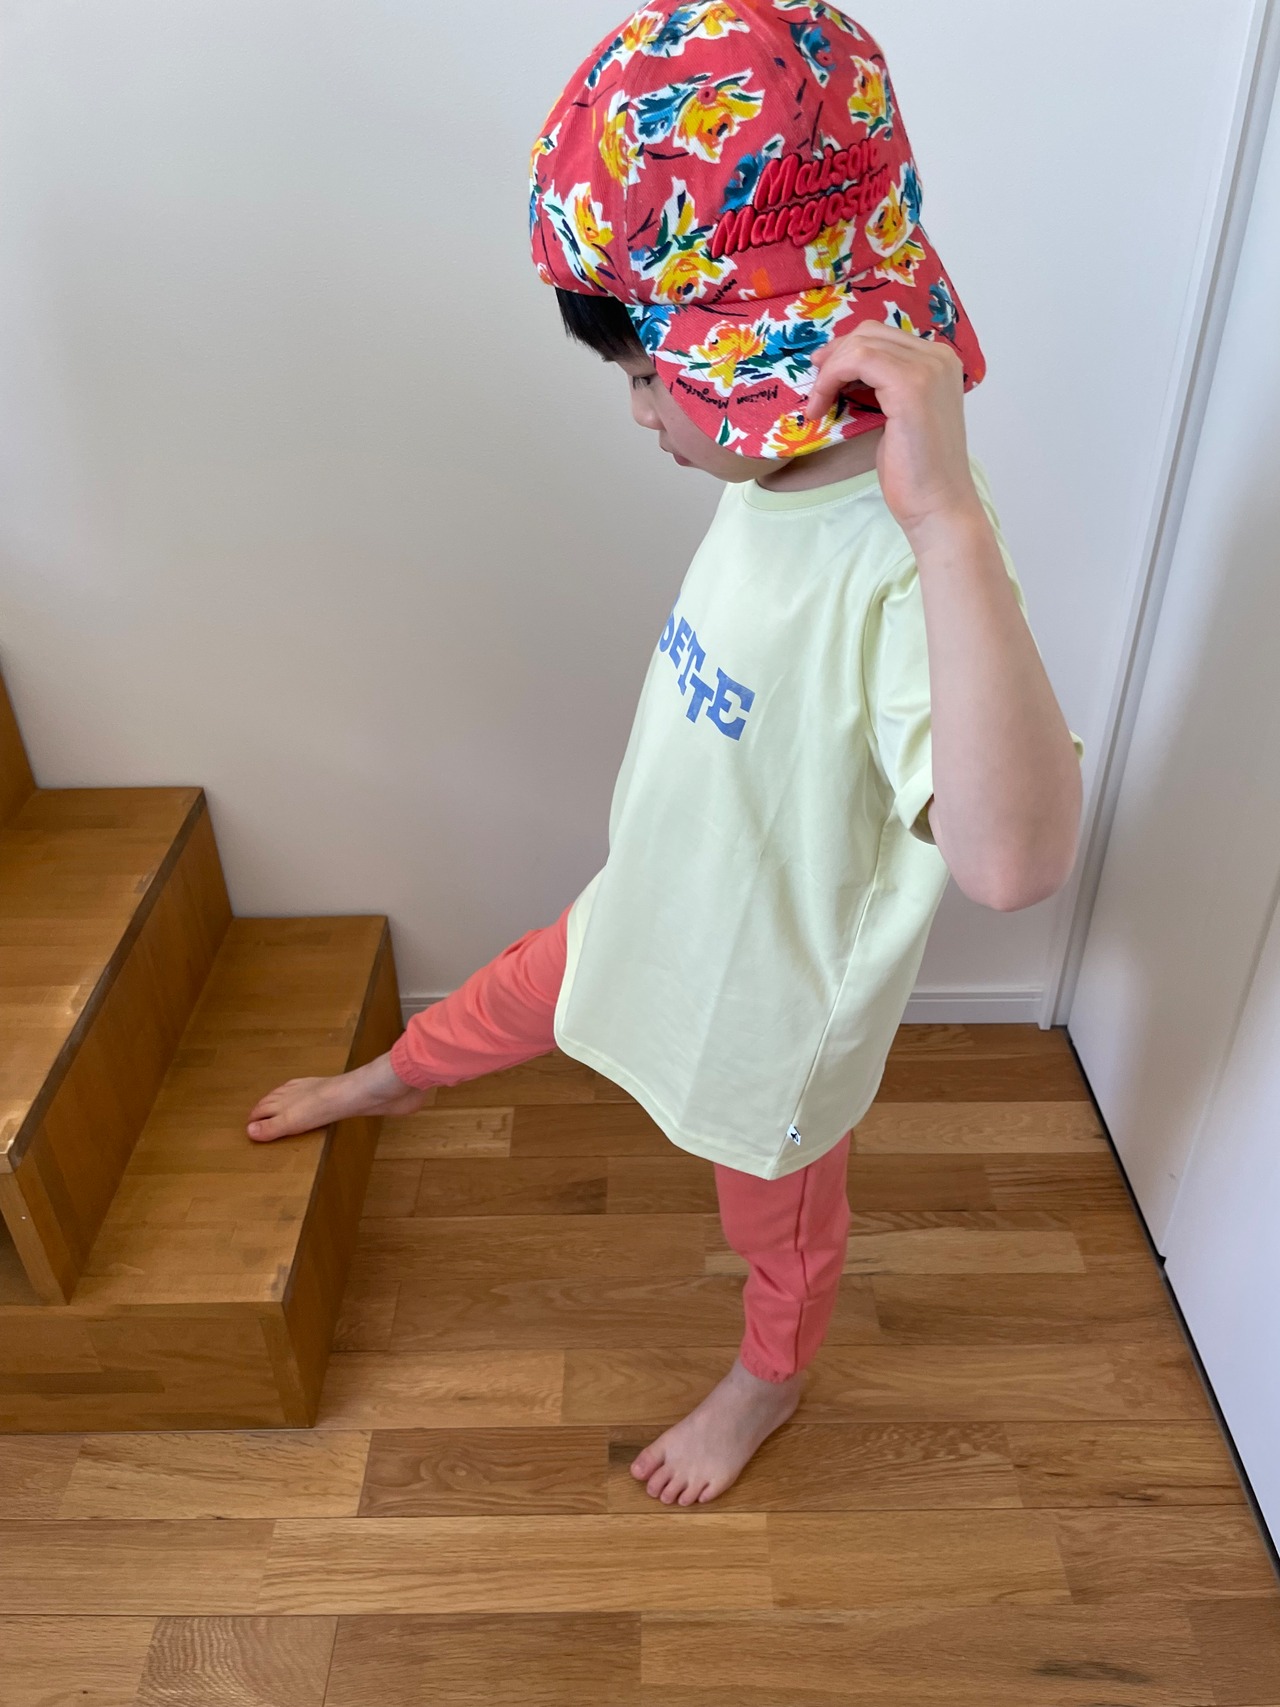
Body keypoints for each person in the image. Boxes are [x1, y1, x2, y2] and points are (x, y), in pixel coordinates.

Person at [246, 0, 1086, 1507]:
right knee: (515, 994)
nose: (639, 414)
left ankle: (770, 1379)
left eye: (648, 378)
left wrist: (952, 526)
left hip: (765, 1016)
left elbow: (1014, 862)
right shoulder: (776, 483)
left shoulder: (908, 562)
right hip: (650, 903)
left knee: (780, 1230)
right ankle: (394, 1080)